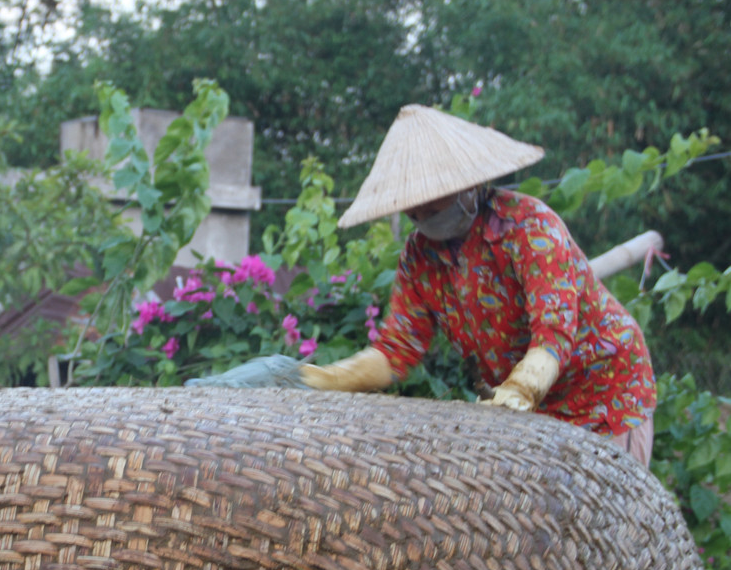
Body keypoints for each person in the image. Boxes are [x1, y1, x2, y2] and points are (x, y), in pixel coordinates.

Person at [195, 104, 657, 464]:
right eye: (414, 210)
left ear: (467, 185)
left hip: (602, 391)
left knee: (605, 532)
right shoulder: (421, 257)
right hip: (527, 407)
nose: (422, 217)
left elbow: (554, 333)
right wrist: (316, 379)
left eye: (432, 206)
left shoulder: (529, 229)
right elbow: (398, 350)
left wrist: (519, 391)